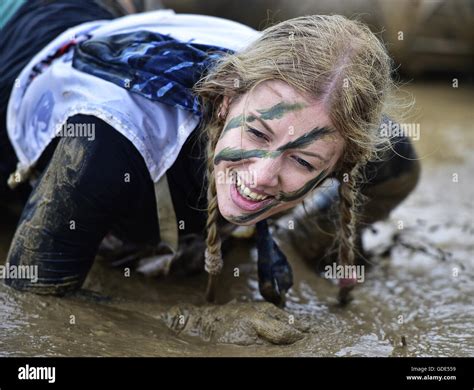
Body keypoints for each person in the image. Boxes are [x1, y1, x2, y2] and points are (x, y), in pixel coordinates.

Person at [1, 1, 420, 305]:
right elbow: (35, 302)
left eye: (303, 162)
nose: (259, 176)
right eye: (256, 133)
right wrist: (194, 325)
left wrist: (297, 243)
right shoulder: (104, 147)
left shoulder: (332, 123)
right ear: (224, 100)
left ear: (340, 165)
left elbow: (400, 165)